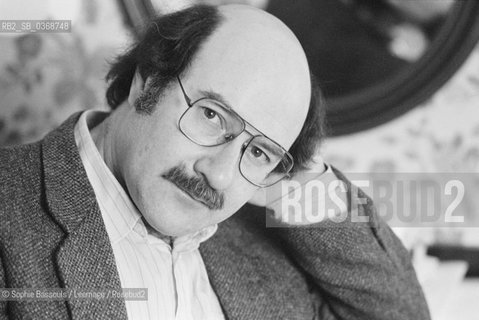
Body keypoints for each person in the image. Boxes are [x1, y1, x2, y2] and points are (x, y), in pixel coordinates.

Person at [0, 4, 430, 320]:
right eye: (211, 115)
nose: (220, 174)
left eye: (258, 151)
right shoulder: (11, 209)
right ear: (145, 83)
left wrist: (302, 182)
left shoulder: (265, 250)